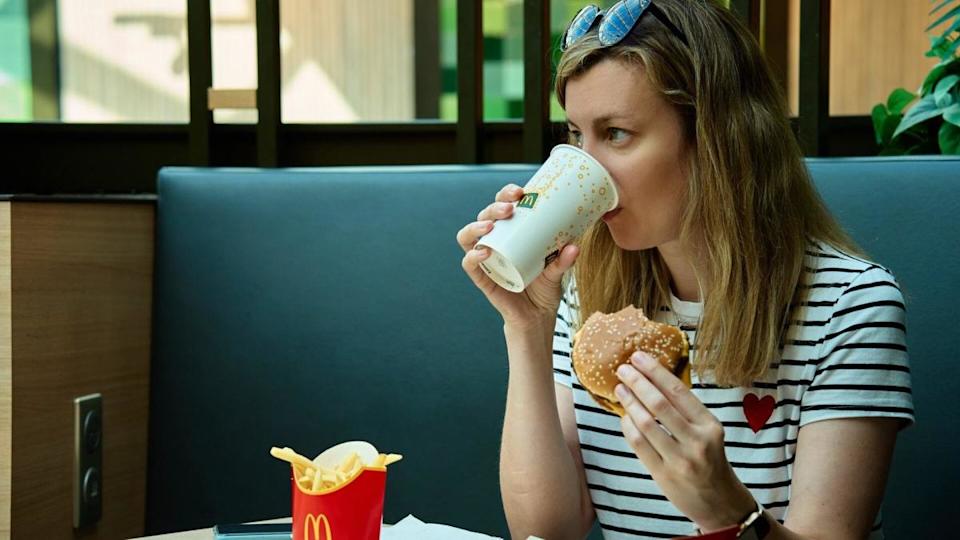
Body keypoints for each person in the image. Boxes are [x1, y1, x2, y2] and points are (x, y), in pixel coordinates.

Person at [456, 0, 913, 538]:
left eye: (616, 133)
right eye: (578, 135)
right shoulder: (585, 291)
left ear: (716, 139)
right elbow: (546, 529)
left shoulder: (850, 306)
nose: (586, 165)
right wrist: (526, 328)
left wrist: (727, 510)